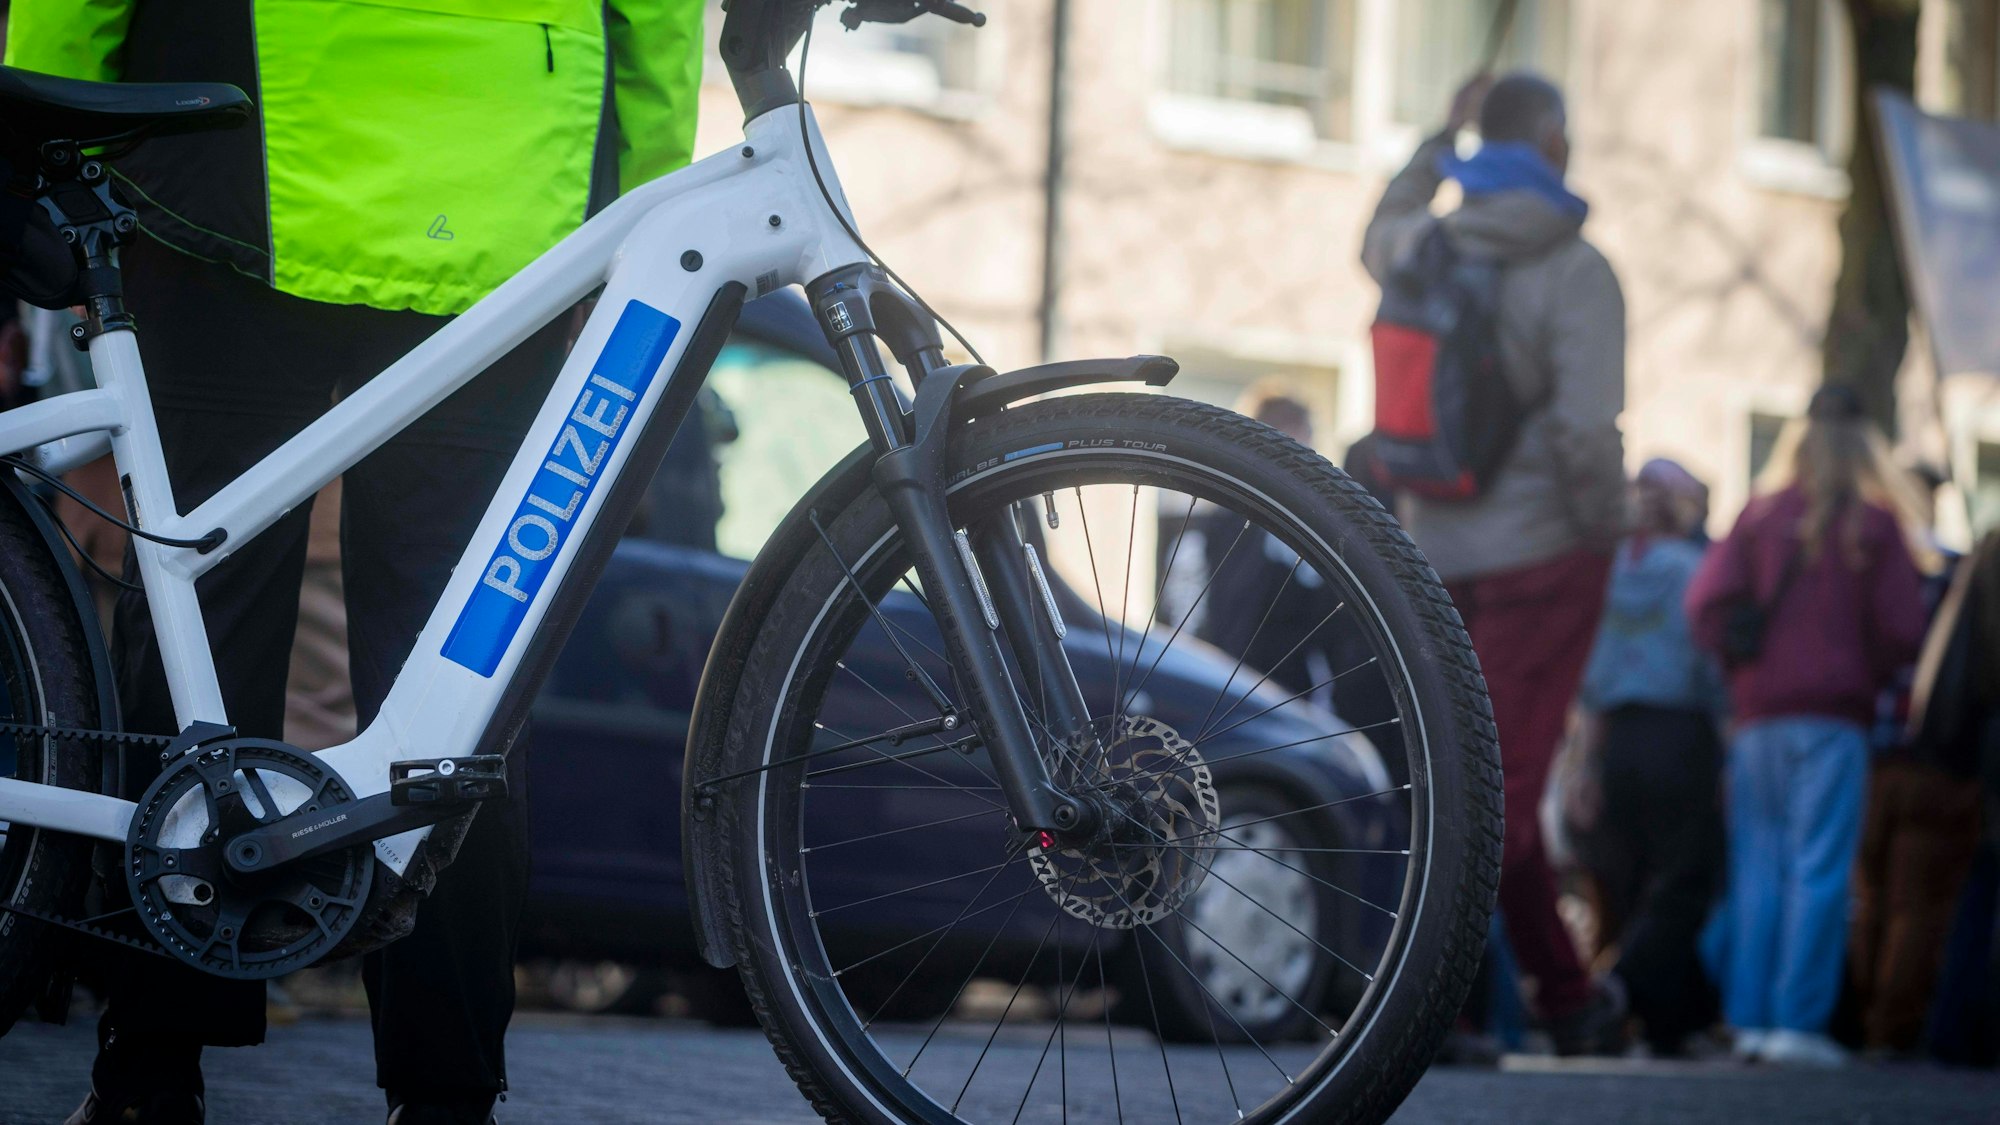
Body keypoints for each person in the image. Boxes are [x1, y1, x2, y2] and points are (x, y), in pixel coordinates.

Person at [4, 3, 705, 1122]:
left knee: (201, 623)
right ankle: (446, 1089)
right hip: (504, 180)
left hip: (215, 151)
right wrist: (646, 199)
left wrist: (37, 127)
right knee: (457, 668)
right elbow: (657, 20)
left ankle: (148, 1071)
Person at [1362, 71, 1629, 1053]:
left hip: (1433, 545)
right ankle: (1456, 1004)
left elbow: (1373, 228)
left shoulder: (1426, 243)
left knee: (1454, 777)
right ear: (1552, 141)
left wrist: (1437, 135)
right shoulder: (1575, 269)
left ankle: (1543, 1000)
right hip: (1541, 557)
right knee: (1502, 796)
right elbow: (1584, 432)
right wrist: (1610, 525)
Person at [1686, 385, 1928, 1069]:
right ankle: (1797, 1023)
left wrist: (1743, 663)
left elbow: (1704, 604)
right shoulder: (1875, 524)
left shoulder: (1761, 514)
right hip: (1835, 715)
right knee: (1818, 867)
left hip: (1760, 713)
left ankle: (1748, 1019)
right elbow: (1905, 628)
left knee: (1757, 866)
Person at [1573, 458, 1727, 1056]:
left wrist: (1586, 764)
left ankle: (1674, 1020)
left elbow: (1593, 679)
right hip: (1680, 733)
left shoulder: (1610, 574)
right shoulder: (1696, 570)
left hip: (1619, 740)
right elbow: (1712, 669)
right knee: (1687, 879)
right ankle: (1621, 983)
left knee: (1637, 883)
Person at [1849, 526, 1996, 1057]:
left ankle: (1874, 1024)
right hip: (1936, 764)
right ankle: (1893, 1029)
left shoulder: (1882, 591)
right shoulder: (1956, 588)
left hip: (1880, 759)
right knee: (1916, 908)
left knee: (1877, 901)